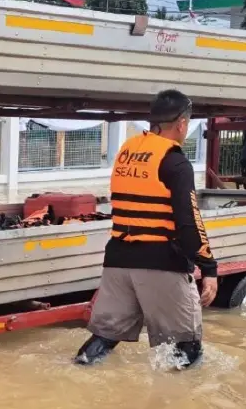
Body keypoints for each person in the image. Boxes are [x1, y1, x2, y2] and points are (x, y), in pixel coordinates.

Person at [75, 89, 219, 369]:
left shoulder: (127, 151)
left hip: (118, 262)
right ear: (182, 124)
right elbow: (189, 222)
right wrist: (209, 268)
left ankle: (77, 372)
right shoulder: (176, 162)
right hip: (161, 263)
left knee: (104, 338)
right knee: (187, 347)